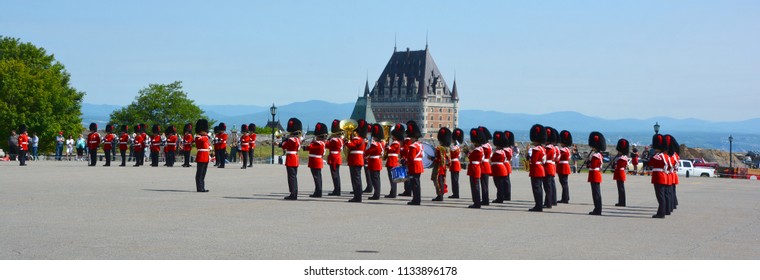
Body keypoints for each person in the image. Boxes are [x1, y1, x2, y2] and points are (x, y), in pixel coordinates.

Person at [346, 119, 368, 203]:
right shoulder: (361, 139)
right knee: (356, 178)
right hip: (357, 160)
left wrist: (346, 141)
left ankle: (357, 196)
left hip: (355, 160)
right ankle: (357, 195)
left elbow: (351, 145)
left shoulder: (357, 139)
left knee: (356, 179)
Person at [281, 118, 302, 200]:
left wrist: (285, 139)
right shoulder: (297, 139)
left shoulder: (292, 140)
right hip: (295, 158)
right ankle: (294, 192)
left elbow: (284, 146)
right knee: (294, 177)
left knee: (291, 177)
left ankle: (293, 194)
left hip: (290, 158)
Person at [648, 134, 668, 218]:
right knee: (661, 196)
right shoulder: (665, 156)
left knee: (660, 196)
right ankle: (661, 212)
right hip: (663, 175)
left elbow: (650, 163)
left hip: (658, 176)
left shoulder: (658, 156)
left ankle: (661, 213)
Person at [404, 121, 424, 206]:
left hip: (414, 166)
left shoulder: (413, 146)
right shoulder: (419, 145)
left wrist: (405, 162)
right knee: (417, 183)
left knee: (414, 183)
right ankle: (417, 199)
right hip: (419, 165)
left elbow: (411, 158)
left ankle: (416, 200)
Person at [528, 124, 547, 212]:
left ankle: (538, 205)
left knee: (536, 188)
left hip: (536, 169)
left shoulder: (536, 149)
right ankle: (539, 204)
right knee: (539, 188)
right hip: (541, 169)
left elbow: (533, 160)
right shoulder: (543, 148)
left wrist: (528, 157)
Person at [587, 131, 606, 215]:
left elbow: (593, 165)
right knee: (596, 193)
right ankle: (597, 209)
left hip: (594, 174)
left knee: (596, 193)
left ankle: (597, 210)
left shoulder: (595, 156)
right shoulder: (598, 154)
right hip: (596, 174)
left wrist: (588, 162)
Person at [308, 123, 328, 198]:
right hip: (316, 161)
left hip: (315, 161)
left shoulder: (319, 143)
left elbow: (310, 147)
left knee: (317, 178)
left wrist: (312, 141)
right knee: (317, 177)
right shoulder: (320, 142)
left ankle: (318, 192)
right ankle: (317, 191)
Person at [431, 127, 451, 202]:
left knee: (437, 180)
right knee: (442, 180)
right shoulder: (447, 148)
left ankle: (440, 195)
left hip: (438, 167)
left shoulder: (439, 148)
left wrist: (431, 158)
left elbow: (438, 159)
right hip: (444, 167)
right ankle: (441, 194)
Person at [467, 128, 485, 208]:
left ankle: (476, 203)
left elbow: (470, 157)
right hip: (476, 167)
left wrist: (467, 152)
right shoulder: (480, 149)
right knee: (475, 186)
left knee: (475, 186)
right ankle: (476, 202)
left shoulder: (477, 150)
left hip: (474, 168)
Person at [384, 123, 404, 198]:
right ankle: (392, 192)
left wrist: (387, 147)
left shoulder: (396, 143)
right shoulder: (396, 142)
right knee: (392, 178)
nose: (392, 137)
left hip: (392, 161)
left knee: (392, 178)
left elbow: (391, 149)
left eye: (393, 136)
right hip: (392, 160)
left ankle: (393, 193)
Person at [366, 124, 385, 200]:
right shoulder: (381, 144)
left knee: (375, 179)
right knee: (376, 179)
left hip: (374, 162)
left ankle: (376, 195)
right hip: (377, 162)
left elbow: (368, 151)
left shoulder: (375, 144)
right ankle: (377, 194)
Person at [491, 131, 509, 203]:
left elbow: (492, 159)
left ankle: (500, 198)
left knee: (498, 184)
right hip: (501, 168)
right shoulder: (502, 151)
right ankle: (500, 197)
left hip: (498, 169)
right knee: (500, 184)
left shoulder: (498, 152)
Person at [326, 120, 344, 196]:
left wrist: (326, 140)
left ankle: (337, 190)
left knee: (335, 174)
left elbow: (327, 145)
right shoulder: (339, 139)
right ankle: (337, 189)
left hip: (334, 158)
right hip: (336, 157)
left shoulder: (334, 140)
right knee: (336, 174)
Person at [543, 127, 559, 208]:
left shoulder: (548, 148)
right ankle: (551, 201)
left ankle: (548, 202)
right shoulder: (553, 147)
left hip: (547, 166)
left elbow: (544, 158)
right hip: (551, 165)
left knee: (548, 186)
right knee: (550, 185)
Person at [477, 127, 493, 206]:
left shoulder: (483, 147)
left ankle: (485, 200)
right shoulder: (489, 146)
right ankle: (485, 199)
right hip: (486, 164)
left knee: (483, 184)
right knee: (485, 184)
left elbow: (480, 157)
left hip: (482, 165)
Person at [194, 119, 211, 193]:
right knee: (200, 173)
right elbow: (202, 141)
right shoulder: (198, 137)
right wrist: (207, 136)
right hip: (201, 156)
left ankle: (202, 187)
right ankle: (199, 188)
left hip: (205, 156)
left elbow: (206, 144)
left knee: (203, 173)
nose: (206, 132)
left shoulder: (204, 137)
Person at [613, 139, 630, 207]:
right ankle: (620, 201)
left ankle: (622, 202)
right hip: (619, 172)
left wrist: (615, 164)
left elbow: (619, 165)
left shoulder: (623, 158)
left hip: (620, 172)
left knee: (621, 188)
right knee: (620, 188)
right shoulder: (621, 157)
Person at [557, 130, 573, 203]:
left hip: (562, 166)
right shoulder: (567, 149)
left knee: (563, 183)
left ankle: (565, 198)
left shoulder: (563, 150)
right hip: (565, 166)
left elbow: (558, 158)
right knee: (565, 183)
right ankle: (566, 197)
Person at [448, 128, 464, 199]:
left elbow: (449, 155)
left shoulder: (454, 147)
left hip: (454, 163)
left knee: (454, 180)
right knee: (455, 180)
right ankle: (455, 193)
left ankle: (455, 193)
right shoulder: (458, 147)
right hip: (456, 162)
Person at [668, 135, 681, 213]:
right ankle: (673, 203)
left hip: (670, 173)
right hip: (673, 173)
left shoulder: (671, 156)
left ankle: (671, 205)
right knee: (672, 190)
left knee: (669, 191)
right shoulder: (675, 155)